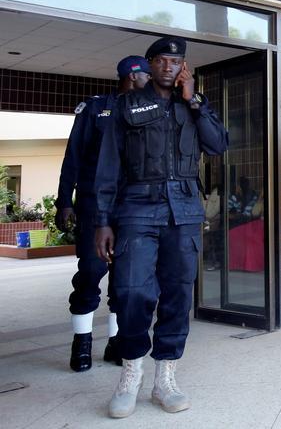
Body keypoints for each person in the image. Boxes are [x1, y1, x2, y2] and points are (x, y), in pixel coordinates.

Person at [93, 36, 228, 418]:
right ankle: (131, 373)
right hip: (136, 207)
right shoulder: (126, 106)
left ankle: (164, 377)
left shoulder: (194, 105)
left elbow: (218, 145)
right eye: (162, 60)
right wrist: (102, 221)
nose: (169, 66)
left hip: (183, 210)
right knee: (131, 291)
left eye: (176, 61)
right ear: (150, 64)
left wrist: (195, 100)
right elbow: (108, 167)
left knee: (178, 294)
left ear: (184, 67)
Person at [55, 56, 151, 372]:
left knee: (124, 280)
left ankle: (115, 343)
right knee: (92, 272)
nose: (151, 80)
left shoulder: (144, 111)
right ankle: (81, 342)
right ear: (132, 76)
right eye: (147, 75)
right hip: (95, 206)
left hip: (131, 207)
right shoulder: (96, 108)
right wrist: (63, 202)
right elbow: (73, 156)